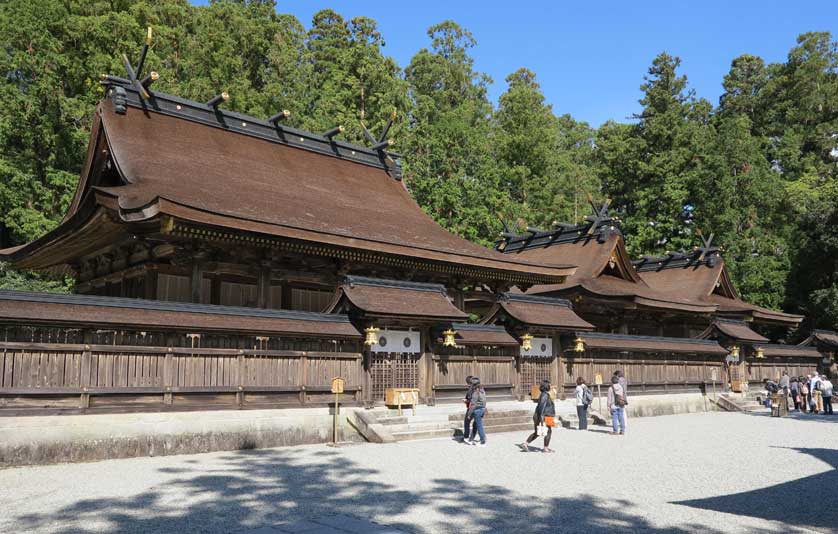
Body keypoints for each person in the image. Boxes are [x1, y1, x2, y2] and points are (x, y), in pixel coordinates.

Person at [520, 380, 556, 452]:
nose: (550, 386)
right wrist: (542, 420)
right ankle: (545, 448)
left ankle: (525, 443)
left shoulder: (544, 394)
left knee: (537, 432)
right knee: (548, 431)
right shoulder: (545, 395)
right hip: (544, 416)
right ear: (546, 386)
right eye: (549, 385)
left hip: (542, 415)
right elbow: (541, 407)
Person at [466, 377, 487, 447]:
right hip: (482, 409)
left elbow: (473, 404)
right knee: (475, 425)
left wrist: (469, 414)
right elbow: (484, 401)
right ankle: (471, 439)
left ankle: (483, 441)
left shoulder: (476, 392)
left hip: (477, 410)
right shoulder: (482, 390)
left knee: (479, 426)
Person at [461, 376, 478, 443]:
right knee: (476, 423)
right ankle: (473, 437)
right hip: (478, 407)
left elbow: (471, 399)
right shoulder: (478, 387)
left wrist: (466, 401)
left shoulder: (471, 389)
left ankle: (466, 436)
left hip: (472, 407)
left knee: (467, 422)